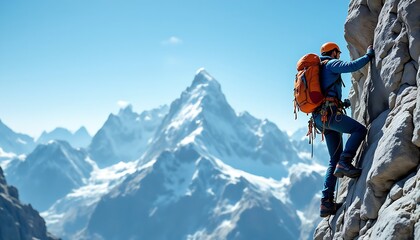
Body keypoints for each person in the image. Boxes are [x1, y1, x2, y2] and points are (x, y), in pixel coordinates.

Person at [313, 42, 375, 217]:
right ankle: (346, 161)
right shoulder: (331, 64)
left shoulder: (319, 68)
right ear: (332, 53)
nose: (338, 56)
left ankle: (326, 203)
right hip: (330, 115)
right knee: (359, 130)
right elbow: (351, 66)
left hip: (320, 118)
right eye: (337, 53)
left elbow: (326, 93)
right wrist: (368, 55)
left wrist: (343, 103)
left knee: (333, 159)